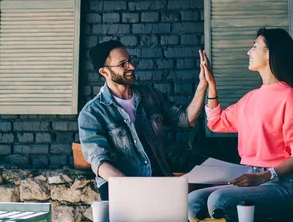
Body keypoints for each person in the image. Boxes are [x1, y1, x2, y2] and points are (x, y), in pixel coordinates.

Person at [188, 28, 293, 222]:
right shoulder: (250, 99)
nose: (249, 52)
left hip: (281, 184)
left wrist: (264, 176)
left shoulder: (290, 99)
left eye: (254, 46)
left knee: (218, 201)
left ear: (270, 53)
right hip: (250, 178)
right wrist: (211, 85)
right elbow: (216, 122)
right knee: (192, 201)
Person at [78, 40, 208, 200]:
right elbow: (100, 164)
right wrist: (136, 191)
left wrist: (203, 85)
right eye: (123, 64)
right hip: (121, 190)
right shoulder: (92, 113)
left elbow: (185, 120)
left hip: (158, 181)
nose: (131, 67)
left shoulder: (150, 95)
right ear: (104, 72)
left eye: (130, 61)